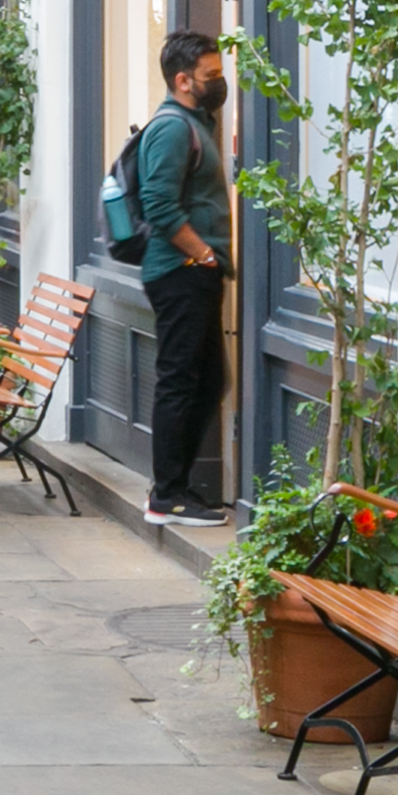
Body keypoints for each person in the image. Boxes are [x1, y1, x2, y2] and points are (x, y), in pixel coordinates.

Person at [109, 27, 235, 518]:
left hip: (192, 271)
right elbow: (160, 204)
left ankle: (176, 487)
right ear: (183, 81)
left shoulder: (196, 121)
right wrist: (202, 253)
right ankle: (166, 496)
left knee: (208, 382)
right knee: (182, 380)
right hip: (180, 271)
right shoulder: (171, 128)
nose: (220, 83)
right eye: (212, 76)